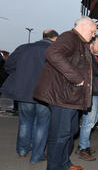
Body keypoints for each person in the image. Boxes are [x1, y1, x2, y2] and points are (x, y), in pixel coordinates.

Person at [33, 16, 97, 170]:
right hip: (63, 97)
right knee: (60, 134)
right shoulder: (70, 37)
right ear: (84, 27)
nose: (94, 35)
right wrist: (77, 78)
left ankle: (64, 163)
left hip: (72, 98)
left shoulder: (80, 42)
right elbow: (52, 53)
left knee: (70, 132)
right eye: (92, 31)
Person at [0, 30, 58, 163]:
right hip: (44, 94)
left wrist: (22, 75)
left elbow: (8, 66)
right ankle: (37, 156)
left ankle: (22, 150)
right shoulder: (54, 51)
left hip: (24, 92)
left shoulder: (24, 48)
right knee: (42, 125)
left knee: (25, 122)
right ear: (54, 39)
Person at [77, 36, 98, 160]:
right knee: (88, 121)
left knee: (93, 121)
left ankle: (84, 144)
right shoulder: (88, 57)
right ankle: (82, 148)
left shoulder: (96, 58)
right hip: (92, 93)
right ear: (91, 45)